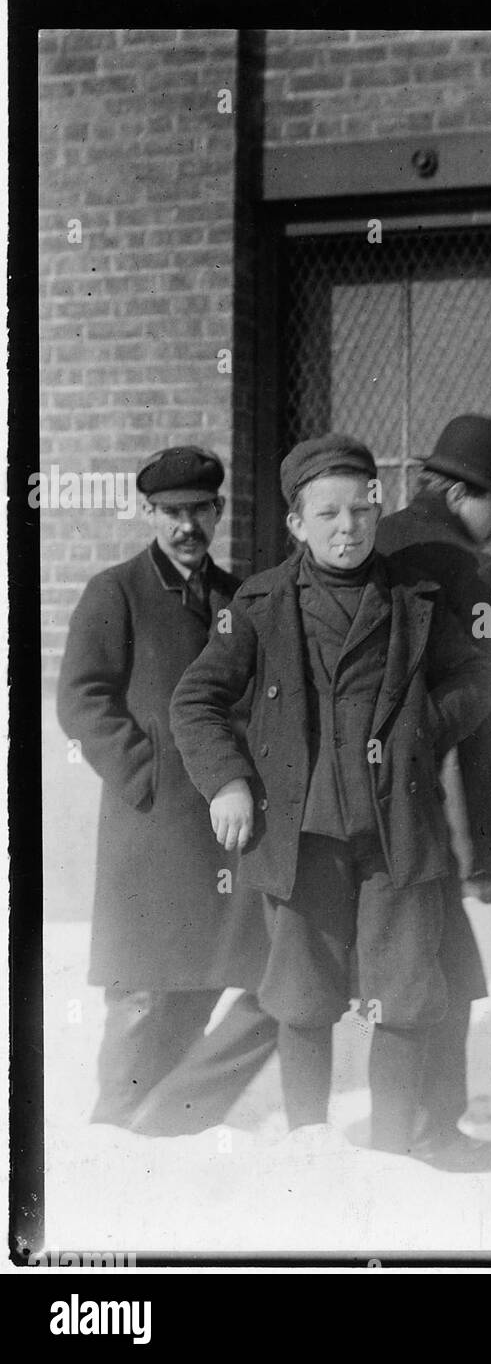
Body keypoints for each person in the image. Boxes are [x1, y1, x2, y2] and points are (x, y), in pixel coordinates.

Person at [166, 436, 491, 1155]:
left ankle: (390, 1153)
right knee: (301, 996)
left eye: (361, 508)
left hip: (397, 835)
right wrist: (227, 782)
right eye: (328, 514)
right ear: (296, 525)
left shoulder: (417, 600)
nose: (348, 527)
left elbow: (474, 681)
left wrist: (420, 729)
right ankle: (309, 1154)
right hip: (303, 839)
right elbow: (195, 702)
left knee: (407, 995)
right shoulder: (258, 605)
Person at [56, 446, 268, 1128]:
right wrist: (142, 772)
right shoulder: (114, 592)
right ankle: (113, 1132)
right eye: (172, 513)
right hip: (146, 829)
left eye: (200, 511)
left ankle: (165, 1130)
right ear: (149, 513)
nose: (187, 527)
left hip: (218, 830)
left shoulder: (238, 599)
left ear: (218, 512)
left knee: (202, 980)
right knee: (142, 990)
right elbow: (82, 699)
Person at [375, 413, 491, 1171]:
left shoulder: (371, 540)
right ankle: (426, 1134)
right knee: (446, 974)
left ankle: (166, 1111)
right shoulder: (478, 573)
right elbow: (489, 726)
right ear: (464, 493)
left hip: (334, 800)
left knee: (294, 987)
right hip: (413, 813)